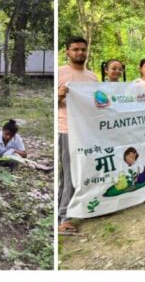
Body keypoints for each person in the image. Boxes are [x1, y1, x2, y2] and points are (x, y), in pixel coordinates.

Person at [58, 36, 97, 233]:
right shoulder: (60, 74)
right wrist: (58, 95)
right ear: (68, 51)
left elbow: (96, 104)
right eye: (75, 49)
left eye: (83, 49)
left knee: (85, 172)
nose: (80, 53)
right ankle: (64, 218)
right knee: (69, 175)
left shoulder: (92, 77)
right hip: (67, 130)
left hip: (87, 131)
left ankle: (84, 208)